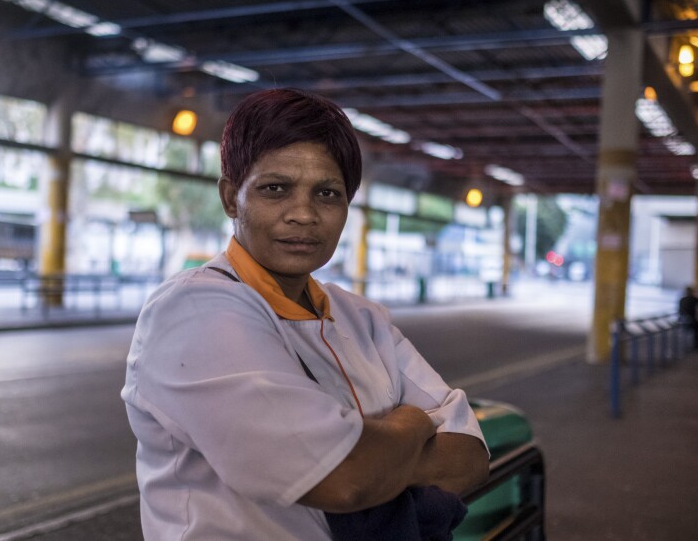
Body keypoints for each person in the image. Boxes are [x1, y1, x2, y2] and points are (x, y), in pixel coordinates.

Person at [121, 88, 489, 540]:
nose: (303, 214)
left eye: (327, 193)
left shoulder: (362, 318)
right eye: (275, 189)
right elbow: (344, 479)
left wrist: (378, 452)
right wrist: (413, 423)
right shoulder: (193, 311)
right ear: (231, 198)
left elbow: (470, 455)